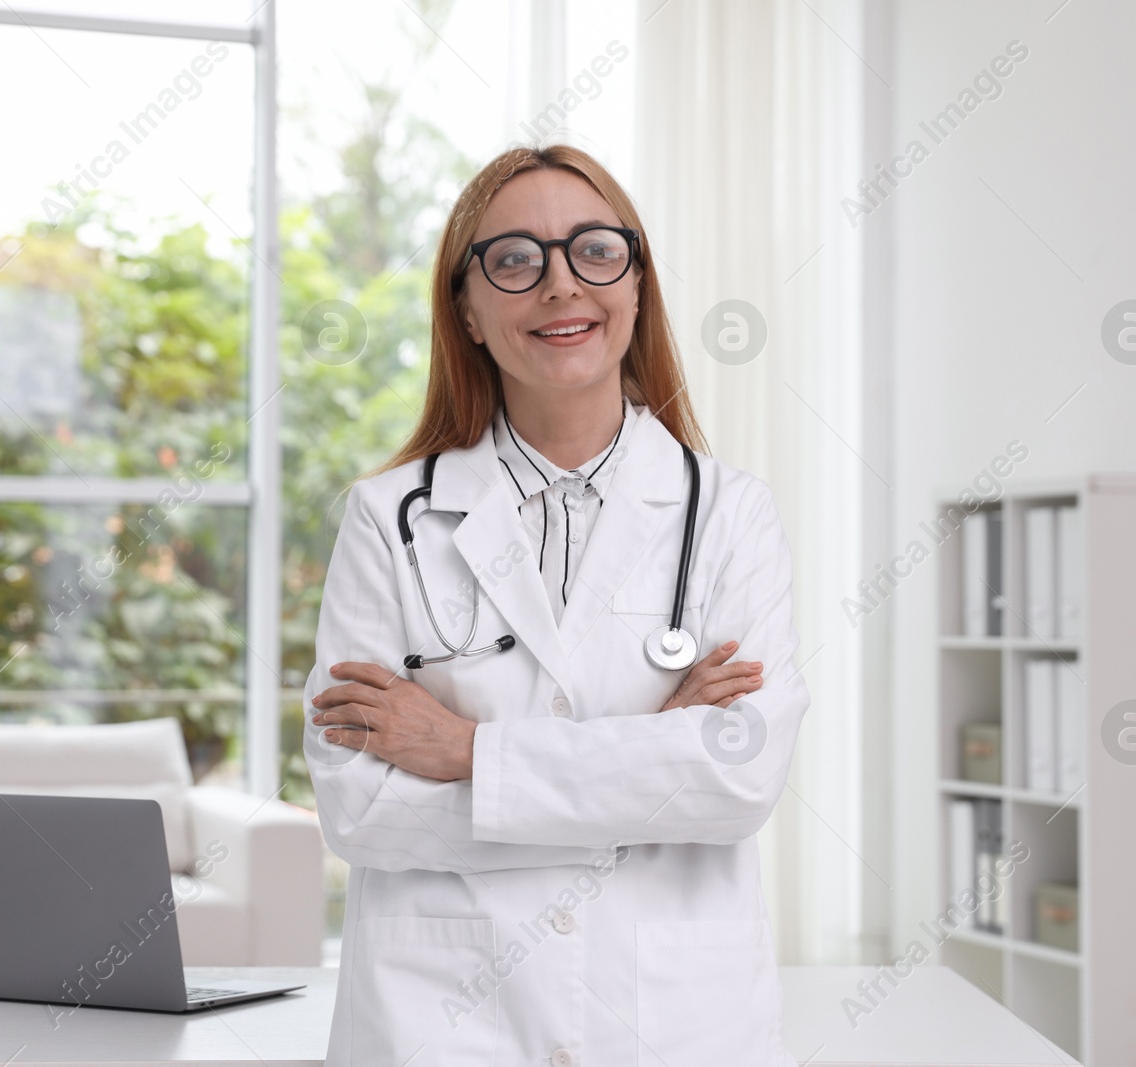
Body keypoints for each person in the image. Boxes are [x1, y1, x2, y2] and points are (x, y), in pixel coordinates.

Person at [303, 143, 811, 1066]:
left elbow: (737, 781)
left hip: (676, 1022)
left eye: (595, 251)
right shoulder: (390, 520)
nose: (561, 285)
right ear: (467, 305)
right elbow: (360, 810)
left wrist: (466, 753)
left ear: (637, 281)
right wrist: (651, 770)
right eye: (514, 260)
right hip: (440, 1020)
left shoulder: (732, 514)